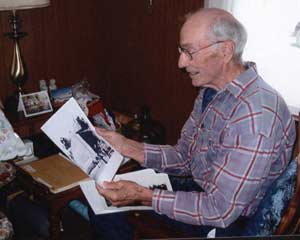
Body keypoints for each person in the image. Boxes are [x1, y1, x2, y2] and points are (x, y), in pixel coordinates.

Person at [88, 7, 296, 239]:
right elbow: (185, 157)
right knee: (106, 194)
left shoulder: (254, 116)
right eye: (181, 50)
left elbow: (220, 211)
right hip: (207, 193)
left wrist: (143, 195)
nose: (180, 62)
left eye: (189, 51)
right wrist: (127, 146)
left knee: (107, 210)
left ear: (226, 50)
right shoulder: (213, 91)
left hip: (231, 221)